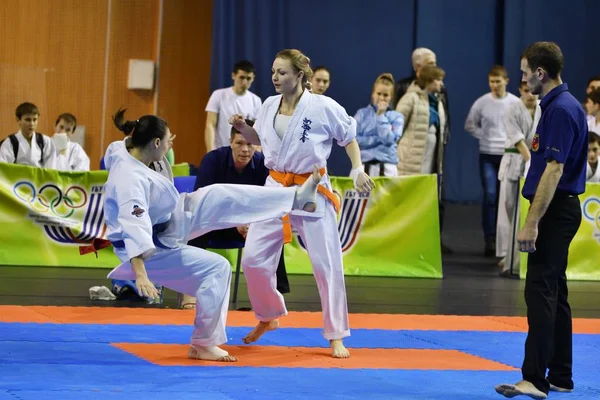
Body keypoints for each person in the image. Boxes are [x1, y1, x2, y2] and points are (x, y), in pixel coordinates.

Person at [104, 109, 323, 362]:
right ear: (154, 143)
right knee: (217, 267)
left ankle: (296, 198)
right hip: (148, 249)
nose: (169, 146)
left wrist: (155, 136)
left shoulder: (128, 150)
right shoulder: (130, 179)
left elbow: (125, 145)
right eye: (166, 142)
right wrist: (141, 274)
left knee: (219, 195)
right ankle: (204, 343)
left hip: (169, 221)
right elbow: (134, 226)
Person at [229, 49, 375, 359]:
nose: (275, 77)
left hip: (311, 189)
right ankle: (268, 316)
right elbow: (263, 139)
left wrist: (357, 168)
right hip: (276, 188)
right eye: (273, 72)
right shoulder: (269, 105)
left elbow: (348, 137)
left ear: (299, 75)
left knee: (327, 265)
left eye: (281, 72)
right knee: (253, 260)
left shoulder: (323, 107)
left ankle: (336, 335)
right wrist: (243, 128)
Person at [496, 41, 588, 399]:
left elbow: (553, 169)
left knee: (540, 292)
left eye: (523, 72)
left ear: (540, 72)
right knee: (556, 293)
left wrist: (532, 222)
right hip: (559, 208)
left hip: (553, 210)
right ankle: (561, 374)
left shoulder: (562, 109)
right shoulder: (557, 106)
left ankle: (534, 378)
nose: (522, 78)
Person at [188, 120, 290, 300]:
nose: (245, 149)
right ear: (230, 142)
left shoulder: (263, 165)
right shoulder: (212, 160)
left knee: (273, 234)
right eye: (239, 143)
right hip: (213, 224)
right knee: (194, 231)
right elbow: (200, 204)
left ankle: (275, 297)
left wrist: (252, 224)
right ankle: (190, 294)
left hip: (247, 227)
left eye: (250, 144)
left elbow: (268, 205)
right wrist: (234, 222)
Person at [465, 66, 521, 256]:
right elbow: (470, 124)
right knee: (490, 196)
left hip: (509, 154)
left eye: (498, 81)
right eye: (491, 81)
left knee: (507, 198)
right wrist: (484, 136)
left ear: (506, 81)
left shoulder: (515, 102)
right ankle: (490, 238)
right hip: (488, 155)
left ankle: (506, 240)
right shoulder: (482, 102)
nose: (495, 85)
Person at [496, 82, 541, 276]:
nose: (530, 95)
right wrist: (530, 159)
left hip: (535, 163)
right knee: (509, 211)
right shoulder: (511, 109)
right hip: (515, 161)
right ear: (520, 91)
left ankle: (517, 261)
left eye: (532, 91)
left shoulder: (543, 108)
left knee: (526, 213)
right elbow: (518, 139)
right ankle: (508, 256)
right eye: (526, 91)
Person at [204, 60, 262, 151]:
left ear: (253, 78)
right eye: (241, 77)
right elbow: (210, 125)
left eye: (248, 78)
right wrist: (210, 151)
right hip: (221, 150)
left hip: (244, 152)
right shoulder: (218, 95)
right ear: (233, 76)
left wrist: (257, 152)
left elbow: (257, 130)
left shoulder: (256, 100)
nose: (244, 82)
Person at [354, 73, 404, 177]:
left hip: (388, 168)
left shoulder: (397, 117)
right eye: (379, 93)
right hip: (362, 167)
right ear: (373, 94)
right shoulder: (361, 114)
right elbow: (354, 140)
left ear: (391, 97)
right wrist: (378, 140)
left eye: (385, 95)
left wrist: (381, 116)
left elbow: (389, 140)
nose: (381, 98)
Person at [0, 102, 56, 168]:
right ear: (18, 120)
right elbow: (3, 168)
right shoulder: (10, 143)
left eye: (35, 119)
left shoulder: (45, 141)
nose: (32, 124)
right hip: (18, 177)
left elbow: (51, 168)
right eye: (27, 120)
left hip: (40, 177)